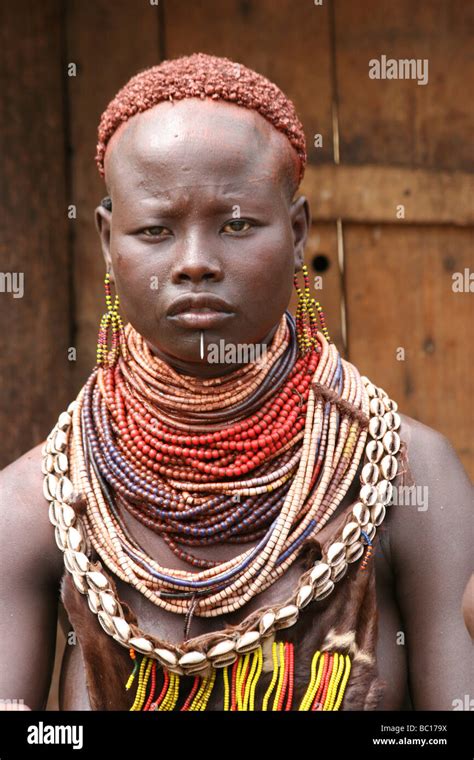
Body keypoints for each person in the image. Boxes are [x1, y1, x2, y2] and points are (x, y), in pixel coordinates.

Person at [0, 53, 472, 712]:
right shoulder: (38, 503)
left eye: (237, 224)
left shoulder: (403, 473)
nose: (195, 263)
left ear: (299, 231)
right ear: (109, 242)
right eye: (156, 230)